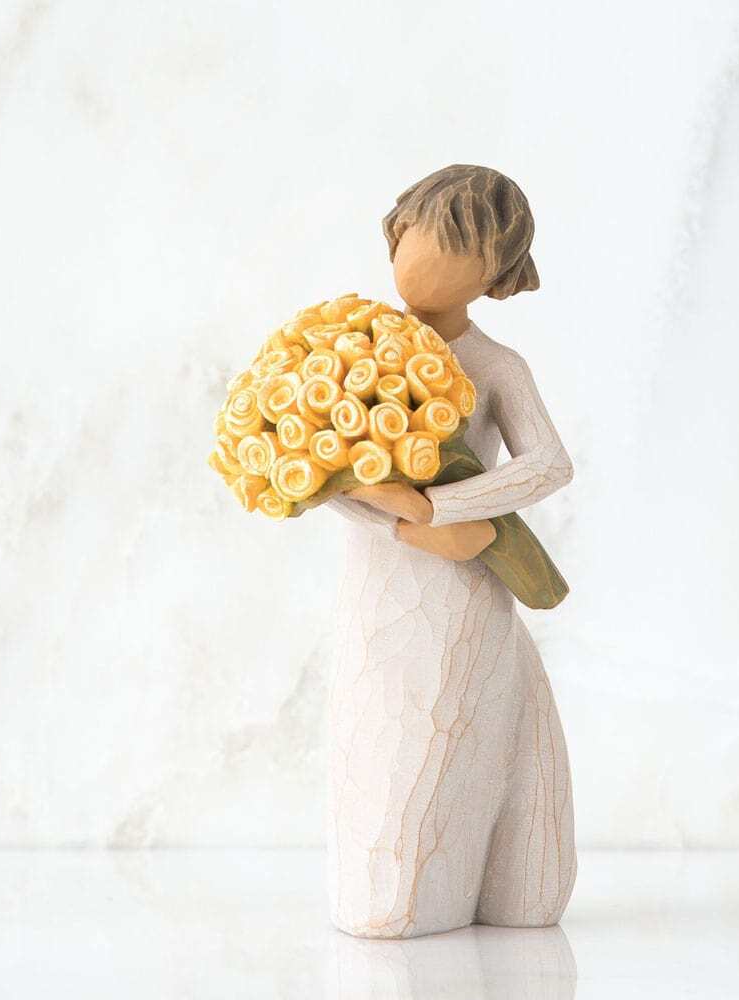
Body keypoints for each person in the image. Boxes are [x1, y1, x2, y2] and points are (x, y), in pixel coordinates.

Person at [327, 164, 576, 938]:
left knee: (458, 725)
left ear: (494, 273)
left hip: (466, 593)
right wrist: (401, 521)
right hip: (383, 588)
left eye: (449, 250)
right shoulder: (353, 348)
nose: (419, 263)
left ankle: (491, 884)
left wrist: (447, 508)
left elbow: (548, 464)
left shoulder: (498, 367)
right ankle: (396, 896)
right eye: (413, 239)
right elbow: (327, 469)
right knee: (386, 738)